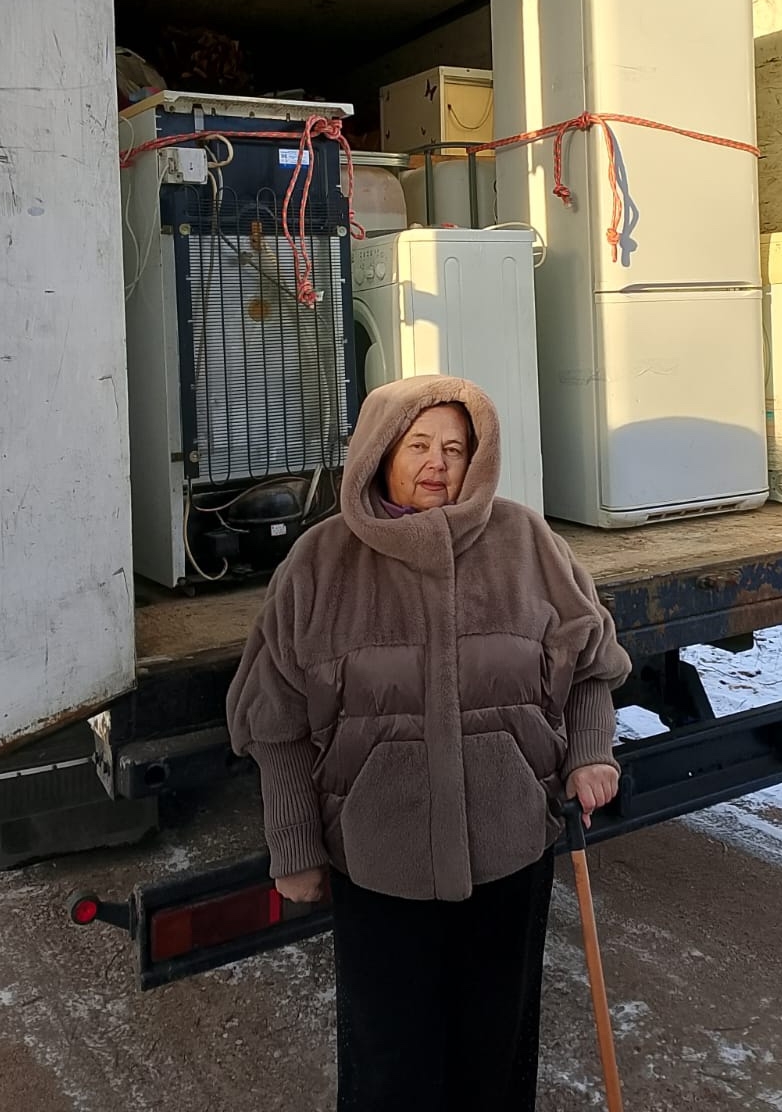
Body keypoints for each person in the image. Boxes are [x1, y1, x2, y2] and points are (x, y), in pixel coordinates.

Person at [227, 375, 632, 1112]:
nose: (437, 463)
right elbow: (274, 721)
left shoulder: (527, 543)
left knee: (495, 1065)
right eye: (418, 445)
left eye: (454, 447)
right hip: (380, 864)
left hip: (510, 851)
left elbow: (591, 666)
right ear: (381, 452)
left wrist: (591, 751)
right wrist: (294, 844)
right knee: (390, 1075)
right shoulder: (320, 564)